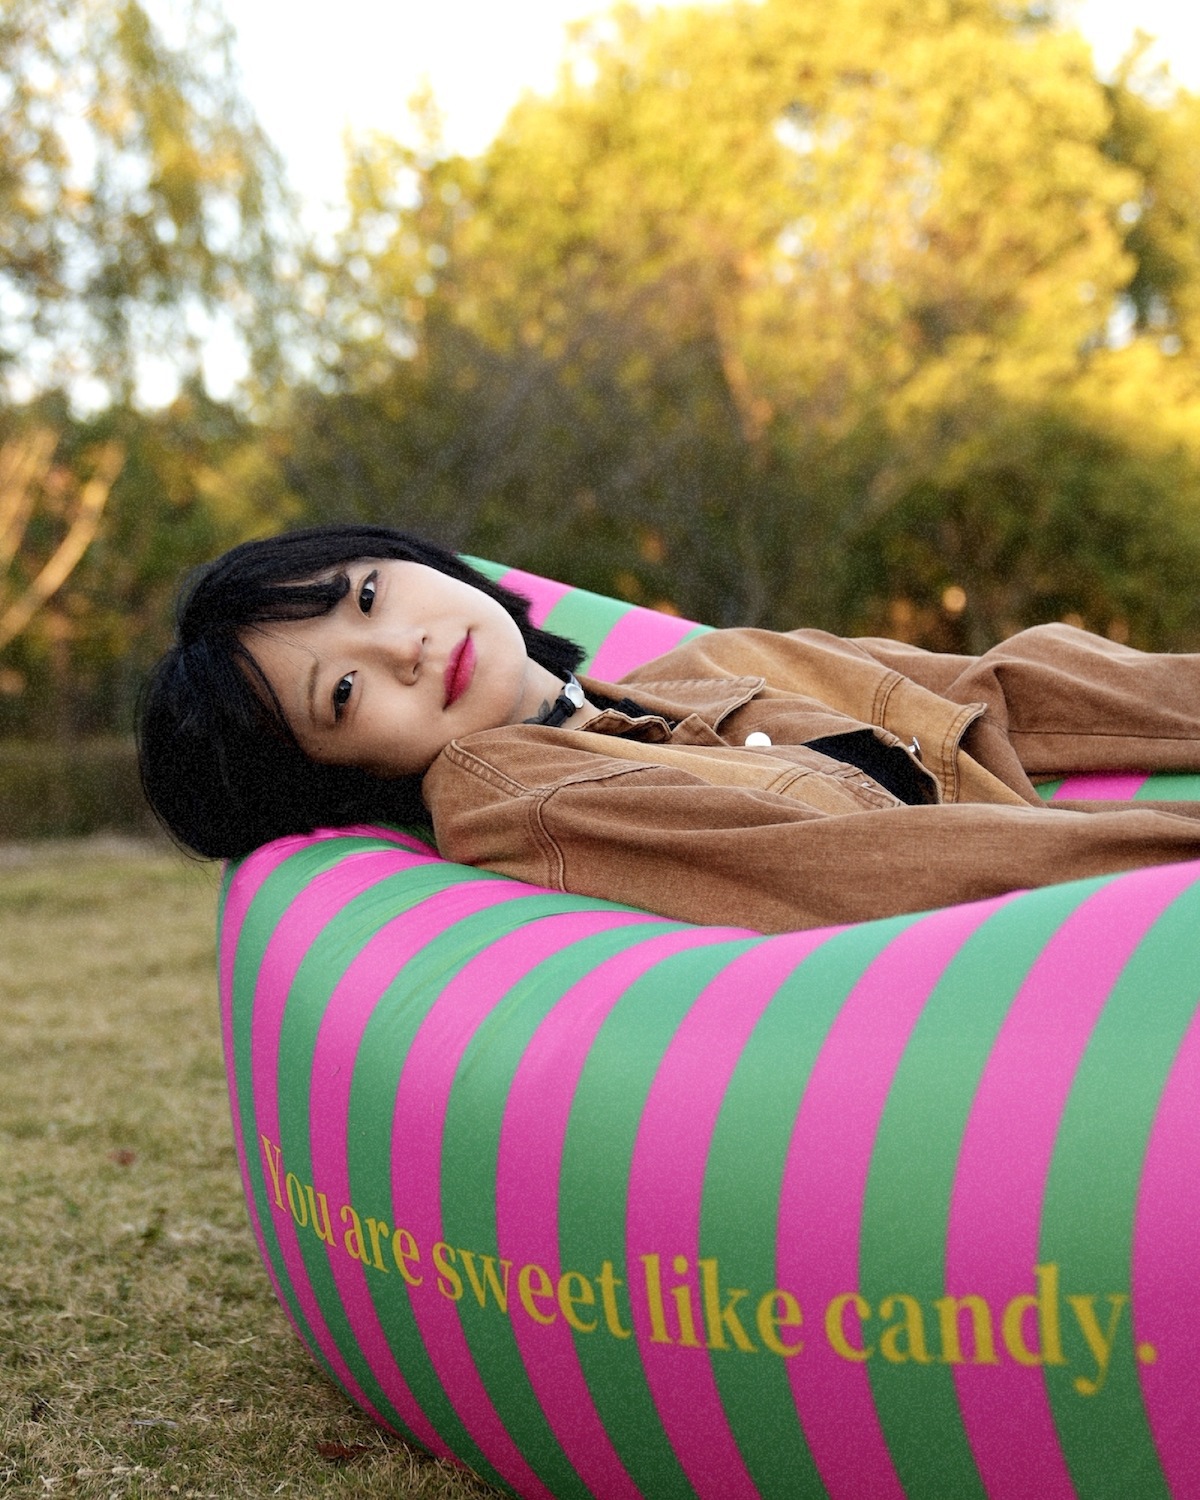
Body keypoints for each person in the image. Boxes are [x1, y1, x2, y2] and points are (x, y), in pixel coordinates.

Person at [138, 522, 1200, 933]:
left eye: (368, 595)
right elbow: (886, 874)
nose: (399, 648)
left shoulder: (708, 669)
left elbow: (998, 689)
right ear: (342, 775)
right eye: (341, 695)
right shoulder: (520, 798)